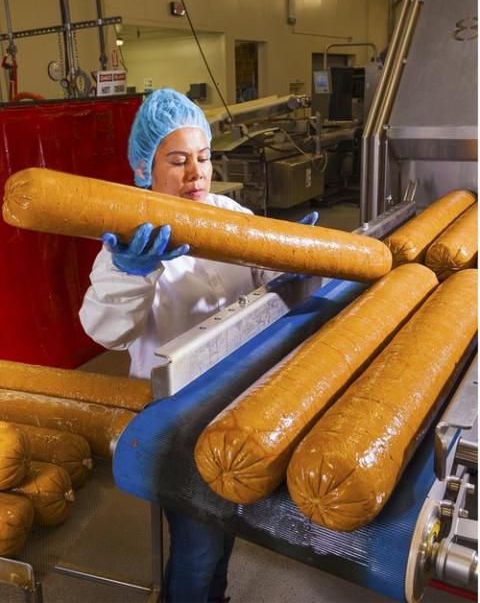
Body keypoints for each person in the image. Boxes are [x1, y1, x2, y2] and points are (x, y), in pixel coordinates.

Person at [79, 88, 317, 603]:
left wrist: (296, 257)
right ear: (146, 168)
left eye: (204, 158)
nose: (196, 174)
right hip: (174, 411)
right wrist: (128, 275)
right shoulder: (129, 239)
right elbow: (103, 332)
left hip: (235, 397)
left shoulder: (230, 212)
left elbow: (267, 275)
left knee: (225, 522)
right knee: (197, 545)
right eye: (179, 161)